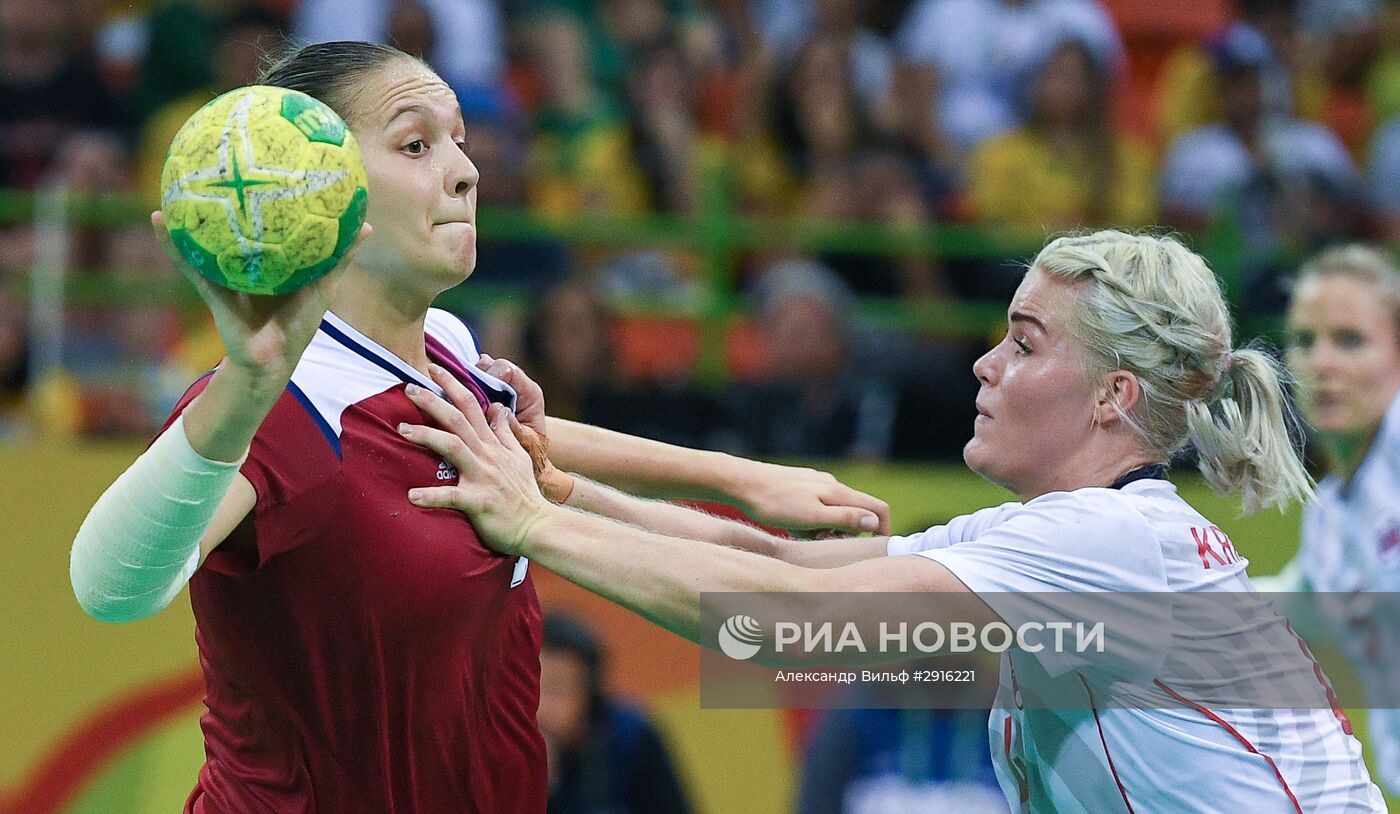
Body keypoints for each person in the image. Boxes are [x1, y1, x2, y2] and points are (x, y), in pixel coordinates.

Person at [66, 40, 890, 813]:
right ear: (311, 182)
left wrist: (738, 478)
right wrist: (246, 383)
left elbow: (520, 441)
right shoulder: (282, 405)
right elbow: (113, 590)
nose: (466, 172)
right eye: (416, 146)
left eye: (459, 142)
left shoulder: (445, 350)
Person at [402, 229, 1388, 811]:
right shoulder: (1061, 540)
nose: (982, 365)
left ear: (1109, 396)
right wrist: (556, 483)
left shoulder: (1107, 548)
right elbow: (772, 559)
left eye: (1021, 344)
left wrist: (529, 521)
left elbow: (782, 623)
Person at [1257, 245, 1400, 794]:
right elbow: (1280, 608)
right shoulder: (1329, 520)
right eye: (1303, 341)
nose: (1322, 362)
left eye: (1350, 340)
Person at [537, 613, 694, 814]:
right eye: (530, 686)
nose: (541, 705)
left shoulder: (633, 737)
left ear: (591, 694)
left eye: (558, 689)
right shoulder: (498, 744)